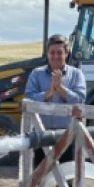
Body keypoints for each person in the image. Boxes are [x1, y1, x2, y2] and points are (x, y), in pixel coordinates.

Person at [24, 34, 87, 168]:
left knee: (66, 180)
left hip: (67, 135)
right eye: (52, 52)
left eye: (59, 52)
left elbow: (80, 100)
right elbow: (28, 99)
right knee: (42, 180)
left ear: (66, 53)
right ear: (47, 54)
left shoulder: (76, 74)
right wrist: (49, 93)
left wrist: (60, 88)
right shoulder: (36, 74)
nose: (56, 56)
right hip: (42, 135)